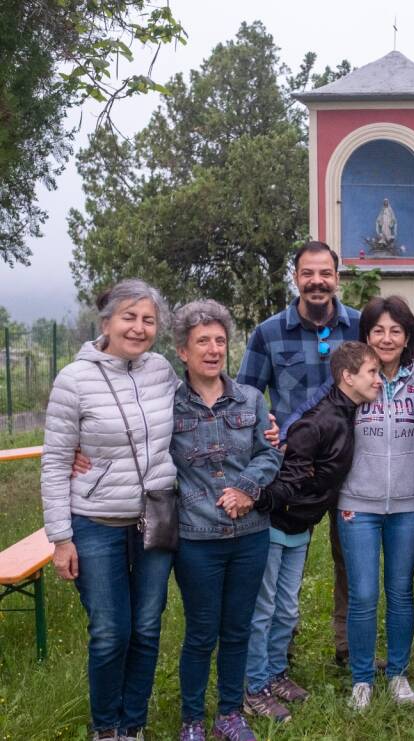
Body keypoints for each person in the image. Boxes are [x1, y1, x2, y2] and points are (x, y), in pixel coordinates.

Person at [40, 279, 178, 741]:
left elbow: (198, 410)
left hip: (155, 519)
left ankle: (132, 725)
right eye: (129, 317)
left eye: (148, 320)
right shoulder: (73, 379)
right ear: (106, 322)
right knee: (109, 632)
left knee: (145, 627)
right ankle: (106, 728)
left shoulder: (161, 370)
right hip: (95, 524)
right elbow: (56, 461)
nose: (139, 328)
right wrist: (61, 538)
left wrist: (263, 424)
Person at [237, 240, 360, 670]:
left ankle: (347, 646)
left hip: (349, 466)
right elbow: (246, 397)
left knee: (351, 560)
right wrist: (263, 428)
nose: (317, 282)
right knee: (282, 563)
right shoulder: (269, 333)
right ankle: (277, 651)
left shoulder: (360, 328)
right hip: (291, 471)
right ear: (296, 278)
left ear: (337, 278)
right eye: (308, 274)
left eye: (325, 273)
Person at [243, 342, 380, 723]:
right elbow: (287, 476)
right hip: (273, 525)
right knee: (264, 609)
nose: (378, 379)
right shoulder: (316, 423)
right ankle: (253, 688)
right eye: (371, 372)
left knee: (286, 610)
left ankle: (275, 674)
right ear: (346, 377)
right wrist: (263, 502)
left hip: (301, 527)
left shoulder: (349, 412)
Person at [167, 300, 283, 741]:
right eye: (202, 341)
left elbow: (270, 451)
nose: (213, 349)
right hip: (196, 539)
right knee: (201, 633)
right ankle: (192, 720)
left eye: (220, 340)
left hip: (250, 536)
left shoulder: (251, 399)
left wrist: (247, 490)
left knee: (237, 629)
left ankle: (230, 714)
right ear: (183, 350)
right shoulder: (168, 405)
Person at [336, 297, 414, 711]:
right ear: (365, 336)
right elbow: (320, 418)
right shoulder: (354, 381)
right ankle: (362, 678)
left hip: (409, 504)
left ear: (407, 338)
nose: (387, 339)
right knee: (364, 594)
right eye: (378, 331)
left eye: (396, 331)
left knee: (401, 592)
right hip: (358, 504)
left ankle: (399, 674)